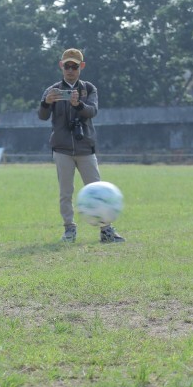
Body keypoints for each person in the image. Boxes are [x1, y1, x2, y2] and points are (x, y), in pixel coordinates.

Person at [38, 48, 125, 243]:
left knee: (98, 190)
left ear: (81, 67)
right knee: (65, 192)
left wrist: (78, 104)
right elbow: (42, 116)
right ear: (61, 66)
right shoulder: (52, 90)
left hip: (86, 147)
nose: (70, 70)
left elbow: (92, 111)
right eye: (67, 65)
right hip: (62, 149)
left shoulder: (89, 88)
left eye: (74, 66)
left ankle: (106, 230)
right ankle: (69, 229)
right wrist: (46, 102)